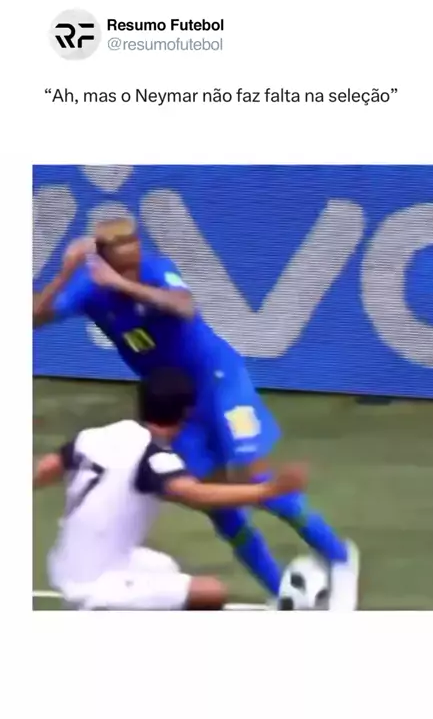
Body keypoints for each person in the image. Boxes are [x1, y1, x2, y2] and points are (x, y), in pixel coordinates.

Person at [33, 218, 359, 609]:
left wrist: (120, 284)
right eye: (121, 250)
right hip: (177, 403)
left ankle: (340, 558)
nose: (133, 253)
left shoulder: (156, 269)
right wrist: (65, 272)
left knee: (255, 478)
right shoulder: (87, 288)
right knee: (220, 510)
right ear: (102, 255)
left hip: (220, 383)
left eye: (134, 244)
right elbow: (31, 318)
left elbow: (184, 306)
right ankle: (281, 594)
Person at [33, 367, 308, 611]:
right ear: (185, 414)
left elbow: (45, 468)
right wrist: (268, 490)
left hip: (65, 563)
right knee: (211, 592)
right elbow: (196, 494)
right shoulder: (154, 456)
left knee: (163, 568)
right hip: (94, 584)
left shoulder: (94, 436)